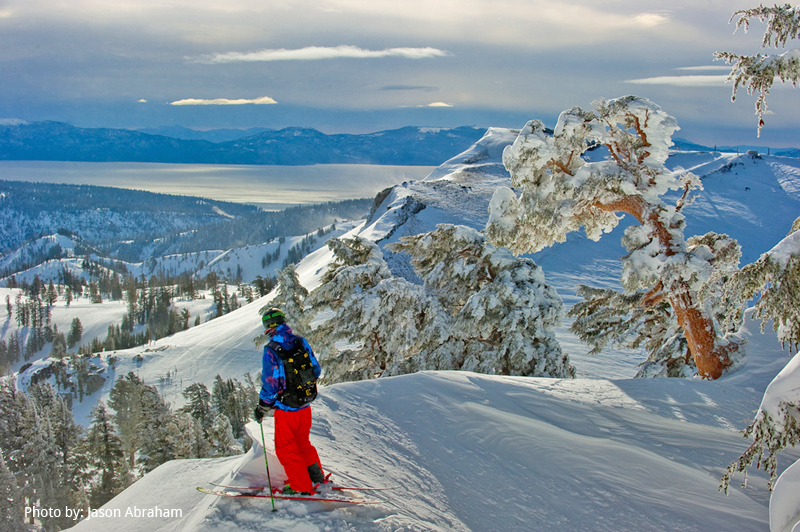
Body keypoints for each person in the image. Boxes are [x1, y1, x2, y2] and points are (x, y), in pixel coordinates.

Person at [253, 307, 325, 495]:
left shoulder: (272, 350)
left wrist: (263, 406)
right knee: (302, 442)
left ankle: (301, 486)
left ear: (268, 326)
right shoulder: (300, 341)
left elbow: (270, 382)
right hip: (305, 402)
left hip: (287, 408)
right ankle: (316, 477)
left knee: (286, 448)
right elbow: (315, 370)